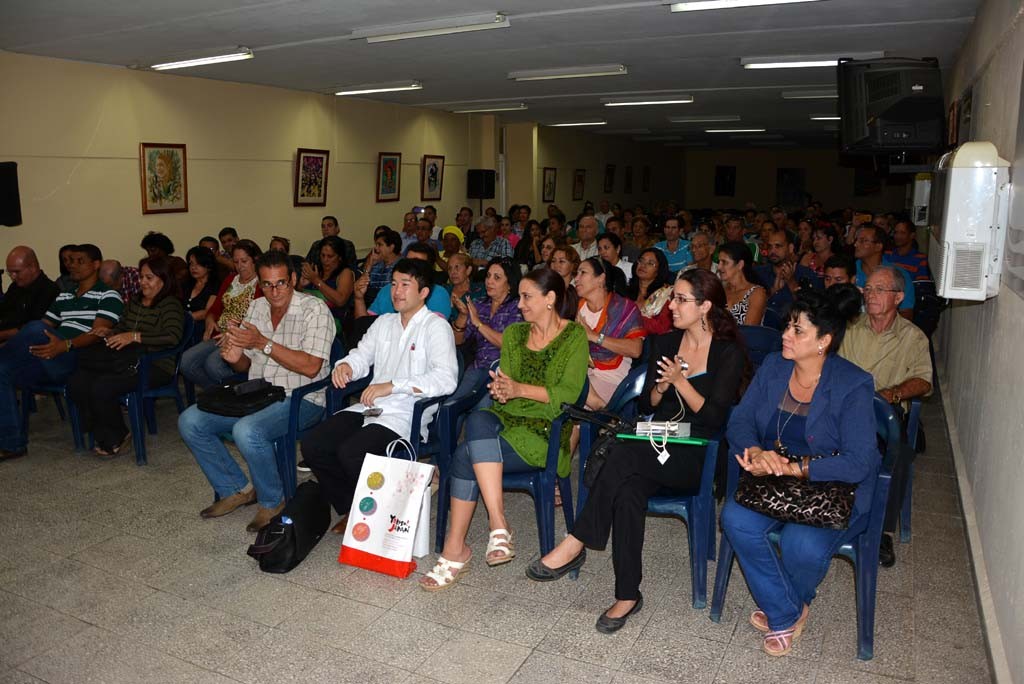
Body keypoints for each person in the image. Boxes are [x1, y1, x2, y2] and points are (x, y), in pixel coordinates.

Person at [526, 269, 747, 633]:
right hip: (656, 442)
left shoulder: (728, 352)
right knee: (628, 489)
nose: (671, 306)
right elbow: (647, 404)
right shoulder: (665, 343)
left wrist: (680, 382)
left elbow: (714, 417)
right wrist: (660, 388)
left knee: (625, 454)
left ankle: (578, 540)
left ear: (705, 306)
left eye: (681, 300)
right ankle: (627, 594)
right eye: (673, 298)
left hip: (696, 454)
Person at [720, 288, 875, 657]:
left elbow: (859, 460)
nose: (786, 335)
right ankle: (788, 609)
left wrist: (796, 467)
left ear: (824, 341)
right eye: (788, 326)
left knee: (799, 544)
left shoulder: (852, 384)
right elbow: (740, 420)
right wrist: (757, 451)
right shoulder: (775, 367)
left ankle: (784, 607)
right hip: (776, 478)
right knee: (735, 519)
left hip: (832, 486)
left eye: (798, 330)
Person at [420, 268, 588, 590]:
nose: (520, 305)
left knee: (465, 455)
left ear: (550, 299)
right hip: (508, 419)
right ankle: (497, 525)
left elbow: (567, 395)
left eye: (527, 297)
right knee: (478, 418)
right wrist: (501, 389)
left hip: (545, 431)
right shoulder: (514, 334)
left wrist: (518, 389)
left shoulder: (573, 337)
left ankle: (456, 550)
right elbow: (507, 385)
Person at [179, 251, 334, 532]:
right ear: (260, 284)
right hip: (259, 393)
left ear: (293, 279)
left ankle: (273, 500)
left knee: (248, 430)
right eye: (267, 284)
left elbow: (311, 368)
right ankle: (236, 488)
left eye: (281, 283)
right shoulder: (257, 307)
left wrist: (263, 342)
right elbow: (247, 365)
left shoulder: (315, 309)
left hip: (302, 396)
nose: (274, 292)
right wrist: (234, 357)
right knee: (190, 420)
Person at [301, 259, 458, 533]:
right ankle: (353, 507)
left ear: (423, 292)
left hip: (407, 414)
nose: (396, 291)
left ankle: (380, 513)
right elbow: (361, 355)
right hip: (370, 406)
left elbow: (446, 379)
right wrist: (346, 366)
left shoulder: (436, 327)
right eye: (394, 284)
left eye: (405, 285)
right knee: (314, 444)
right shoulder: (384, 323)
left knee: (352, 452)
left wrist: (393, 385)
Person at [840, 266, 932, 567]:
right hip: (846, 409)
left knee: (897, 457)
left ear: (899, 297)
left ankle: (880, 531)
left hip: (885, 413)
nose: (870, 294)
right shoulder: (850, 328)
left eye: (880, 289)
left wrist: (893, 393)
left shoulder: (913, 337)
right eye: (867, 289)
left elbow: (923, 381)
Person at [0, 244, 123, 460]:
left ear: (96, 265)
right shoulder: (65, 296)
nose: (72, 266)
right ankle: (13, 445)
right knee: (2, 371)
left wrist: (64, 345)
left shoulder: (109, 295)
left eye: (80, 261)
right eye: (71, 261)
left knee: (35, 328)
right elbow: (43, 328)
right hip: (50, 355)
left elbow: (98, 334)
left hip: (78, 358)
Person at [68, 257, 184, 457]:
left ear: (164, 280)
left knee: (102, 386)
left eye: (149, 278)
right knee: (77, 381)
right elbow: (123, 327)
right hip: (126, 360)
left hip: (155, 365)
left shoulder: (170, 304)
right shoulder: (136, 301)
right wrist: (109, 332)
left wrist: (135, 337)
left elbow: (172, 337)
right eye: (141, 277)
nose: (143, 282)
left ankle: (117, 436)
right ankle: (104, 432)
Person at [180, 240, 263, 390]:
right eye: (236, 262)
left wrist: (234, 333)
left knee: (212, 364)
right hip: (219, 334)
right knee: (186, 361)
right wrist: (210, 320)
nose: (240, 266)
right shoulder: (231, 279)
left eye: (244, 261)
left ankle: (236, 392)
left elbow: (259, 319)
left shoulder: (262, 284)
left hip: (241, 338)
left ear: (255, 260)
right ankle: (218, 392)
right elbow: (215, 308)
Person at [575, 257, 646, 409]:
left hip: (610, 376)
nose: (576, 278)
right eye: (577, 273)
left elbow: (636, 350)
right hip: (579, 372)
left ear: (601, 278)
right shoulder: (575, 307)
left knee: (571, 401)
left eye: (583, 273)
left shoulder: (624, 308)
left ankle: (602, 412)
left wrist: (594, 336)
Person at [450, 258, 523, 405]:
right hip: (477, 366)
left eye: (497, 277)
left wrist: (478, 323)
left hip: (503, 372)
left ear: (510, 284)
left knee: (480, 409)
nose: (489, 281)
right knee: (450, 405)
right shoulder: (480, 304)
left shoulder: (517, 307)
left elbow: (506, 343)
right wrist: (463, 316)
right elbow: (458, 341)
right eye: (488, 276)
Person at [359, 242, 452, 320]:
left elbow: (433, 329)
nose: (409, 267)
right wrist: (358, 298)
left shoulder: (438, 293)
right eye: (408, 262)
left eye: (417, 264)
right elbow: (364, 326)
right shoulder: (387, 289)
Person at [756, 228, 822, 324]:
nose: (772, 251)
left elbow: (812, 311)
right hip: (763, 329)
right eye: (770, 246)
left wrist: (791, 282)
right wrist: (772, 292)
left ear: (790, 248)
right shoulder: (758, 273)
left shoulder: (806, 274)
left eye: (778, 246)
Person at [0, 247, 60, 343]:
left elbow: (34, 328)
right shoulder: (15, 286)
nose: (13, 277)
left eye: (17, 272)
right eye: (9, 272)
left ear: (32, 267)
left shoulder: (49, 290)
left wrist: (2, 335)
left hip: (25, 342)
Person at [853, 226, 914, 319]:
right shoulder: (849, 271)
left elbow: (906, 312)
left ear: (878, 246)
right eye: (856, 240)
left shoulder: (898, 274)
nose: (856, 244)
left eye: (863, 241)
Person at [301, 234, 355, 330]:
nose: (325, 260)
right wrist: (301, 286)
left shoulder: (345, 273)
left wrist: (316, 281)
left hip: (331, 324)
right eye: (322, 255)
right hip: (307, 319)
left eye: (330, 256)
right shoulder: (316, 270)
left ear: (339, 257)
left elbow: (340, 300)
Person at [718, 242, 767, 326]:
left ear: (740, 265)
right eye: (719, 262)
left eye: (724, 262)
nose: (719, 267)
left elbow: (749, 330)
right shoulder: (720, 291)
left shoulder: (756, 293)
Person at [629, 248, 674, 335]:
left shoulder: (665, 294)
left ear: (659, 270)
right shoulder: (625, 291)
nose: (643, 265)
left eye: (650, 263)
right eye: (641, 261)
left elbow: (663, 328)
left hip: (653, 341)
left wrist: (631, 318)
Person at [361, 228, 402, 308]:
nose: (376, 248)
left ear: (391, 247)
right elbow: (362, 286)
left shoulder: (401, 266)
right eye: (376, 245)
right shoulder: (376, 264)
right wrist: (369, 265)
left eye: (380, 245)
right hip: (371, 304)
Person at [183, 246, 221, 332]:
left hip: (201, 328)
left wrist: (183, 319)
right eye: (191, 263)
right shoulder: (186, 284)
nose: (193, 267)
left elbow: (208, 311)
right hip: (182, 326)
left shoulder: (215, 285)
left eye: (198, 264)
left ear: (208, 266)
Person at [444, 253, 482, 324]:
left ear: (468, 270)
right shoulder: (444, 291)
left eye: (457, 267)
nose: (453, 272)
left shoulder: (479, 290)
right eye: (450, 268)